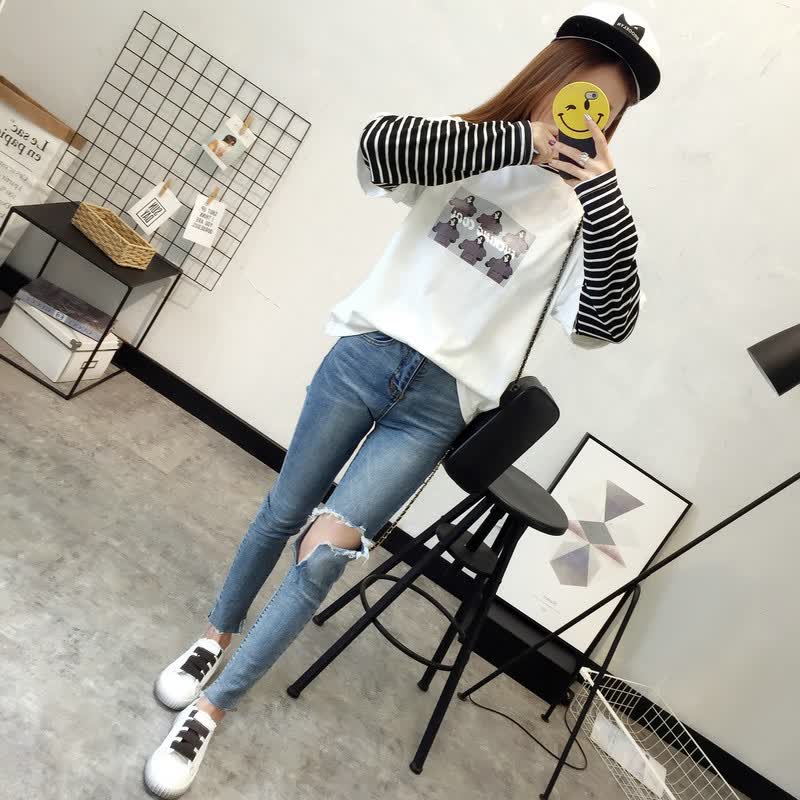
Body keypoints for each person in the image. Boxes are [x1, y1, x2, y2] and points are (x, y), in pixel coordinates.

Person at [144, 5, 660, 796]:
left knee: (323, 558)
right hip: (364, 357)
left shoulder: (581, 219)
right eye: (579, 98)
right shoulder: (466, 144)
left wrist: (606, 196)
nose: (585, 122)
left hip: (437, 407)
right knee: (284, 510)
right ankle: (214, 636)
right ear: (550, 82)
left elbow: (606, 323)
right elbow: (380, 148)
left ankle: (211, 709)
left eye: (606, 116)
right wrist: (521, 140)